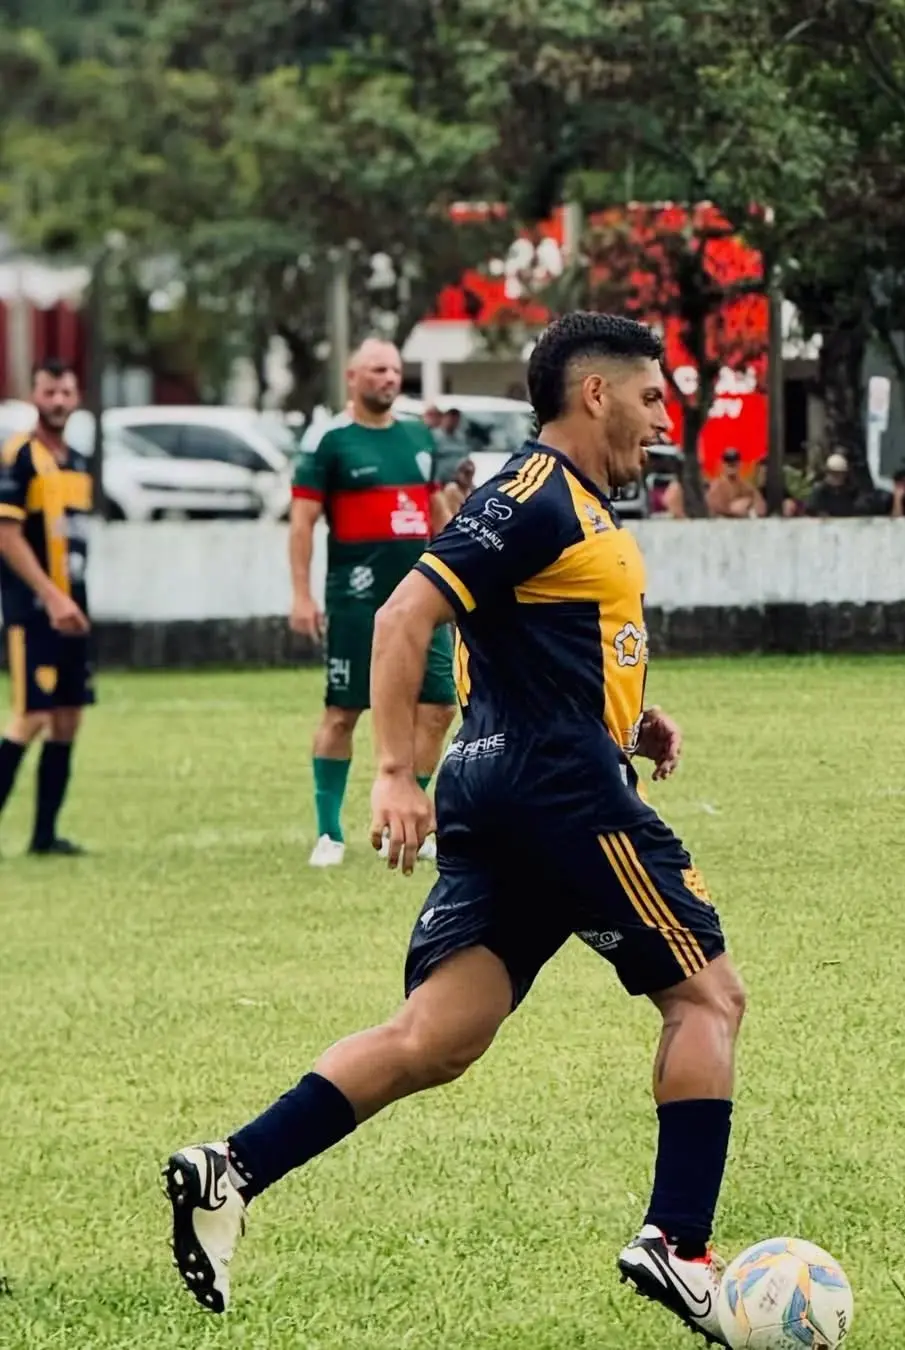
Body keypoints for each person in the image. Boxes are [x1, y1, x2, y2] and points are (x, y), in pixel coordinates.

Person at [164, 313, 746, 1345]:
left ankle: (231, 1169)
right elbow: (404, 617)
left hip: (513, 782)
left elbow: (535, 632)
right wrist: (392, 771)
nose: (664, 418)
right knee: (706, 994)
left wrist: (632, 713)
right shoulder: (529, 496)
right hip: (559, 790)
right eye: (653, 397)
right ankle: (678, 1243)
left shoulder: (579, 511)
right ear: (597, 395)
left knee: (439, 1036)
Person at [289, 338, 457, 867]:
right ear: (353, 378)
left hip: (422, 596)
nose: (389, 378)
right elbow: (302, 522)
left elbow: (435, 513)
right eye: (378, 369)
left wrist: (461, 578)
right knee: (344, 711)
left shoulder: (416, 435)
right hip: (357, 599)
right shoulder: (330, 440)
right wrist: (300, 594)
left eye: (395, 370)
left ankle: (408, 818)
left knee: (437, 707)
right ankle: (328, 833)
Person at [0, 359, 93, 856]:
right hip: (33, 609)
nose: (58, 401)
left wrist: (75, 600)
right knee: (30, 716)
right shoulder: (18, 456)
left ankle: (44, 836)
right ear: (34, 395)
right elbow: (6, 535)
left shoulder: (77, 460)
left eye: (66, 392)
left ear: (76, 397)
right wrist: (51, 595)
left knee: (67, 716)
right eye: (49, 392)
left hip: (73, 610)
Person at [706, 447, 765, 518]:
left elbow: (761, 508)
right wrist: (732, 509)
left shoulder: (746, 487)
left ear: (740, 464)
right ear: (722, 464)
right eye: (728, 461)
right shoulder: (716, 486)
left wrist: (748, 503)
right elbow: (711, 508)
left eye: (734, 461)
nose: (731, 464)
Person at [806, 452, 860, 517]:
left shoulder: (851, 490)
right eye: (833, 473)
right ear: (827, 472)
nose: (838, 477)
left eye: (841, 473)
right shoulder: (819, 490)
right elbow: (811, 512)